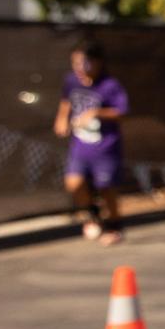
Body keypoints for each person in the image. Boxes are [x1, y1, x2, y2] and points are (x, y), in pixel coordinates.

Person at [53, 40, 128, 246]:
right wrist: (61, 119)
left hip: (105, 146)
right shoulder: (71, 81)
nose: (79, 68)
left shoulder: (110, 85)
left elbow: (122, 111)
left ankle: (114, 226)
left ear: (97, 62)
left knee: (106, 188)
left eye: (84, 63)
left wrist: (95, 112)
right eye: (75, 63)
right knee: (73, 183)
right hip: (80, 146)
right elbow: (66, 101)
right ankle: (92, 215)